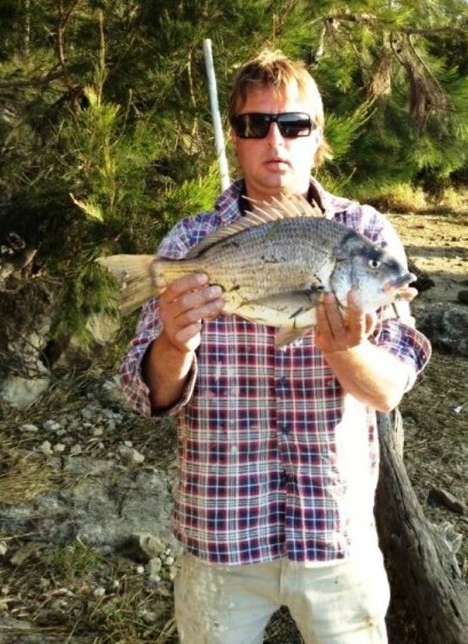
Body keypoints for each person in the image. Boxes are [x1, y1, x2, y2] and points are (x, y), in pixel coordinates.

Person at [119, 49, 431, 644]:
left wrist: (344, 350)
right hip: (221, 536)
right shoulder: (191, 240)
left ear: (319, 137)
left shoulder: (363, 236)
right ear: (235, 138)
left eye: (292, 124)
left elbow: (389, 388)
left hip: (335, 535)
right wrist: (174, 342)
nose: (274, 140)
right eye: (253, 124)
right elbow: (146, 395)